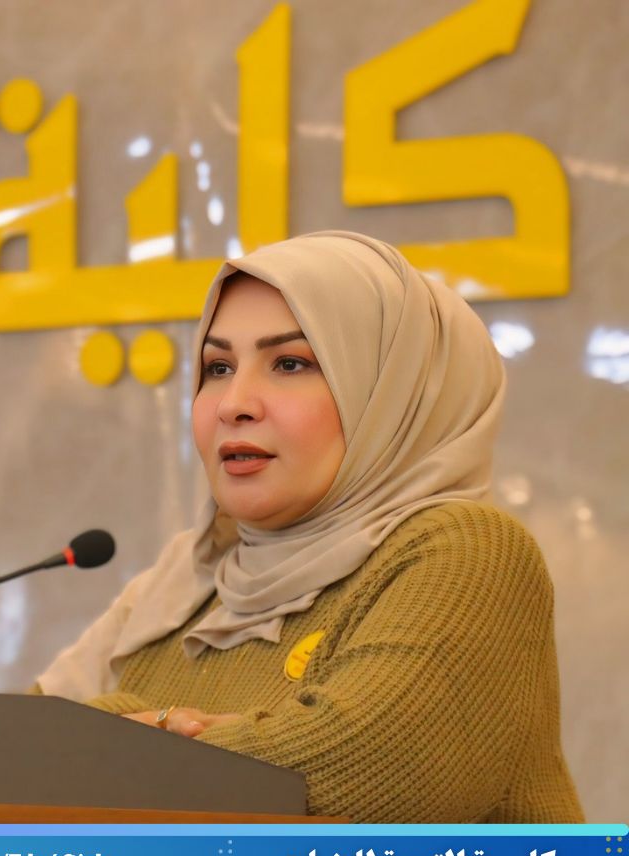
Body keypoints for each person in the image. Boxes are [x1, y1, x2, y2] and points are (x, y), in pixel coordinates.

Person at [32, 231, 583, 823]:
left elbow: (353, 776)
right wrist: (135, 733)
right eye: (218, 367)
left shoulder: (466, 552)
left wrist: (112, 729)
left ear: (395, 390)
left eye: (290, 363)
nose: (233, 403)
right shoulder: (181, 585)